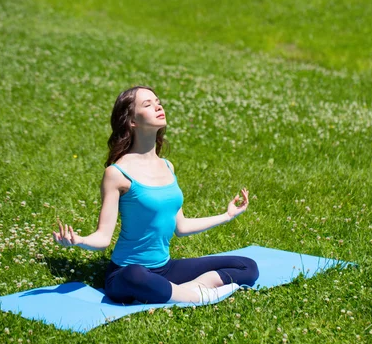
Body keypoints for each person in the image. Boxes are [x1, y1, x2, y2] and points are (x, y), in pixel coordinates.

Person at [52, 85, 259, 304]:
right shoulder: (117, 173)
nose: (158, 106)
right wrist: (79, 241)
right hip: (126, 273)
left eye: (157, 101)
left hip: (164, 269)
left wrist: (227, 216)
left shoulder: (167, 167)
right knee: (137, 275)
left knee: (247, 266)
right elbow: (103, 238)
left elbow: (181, 226)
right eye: (147, 104)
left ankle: (186, 290)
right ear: (132, 121)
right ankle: (196, 296)